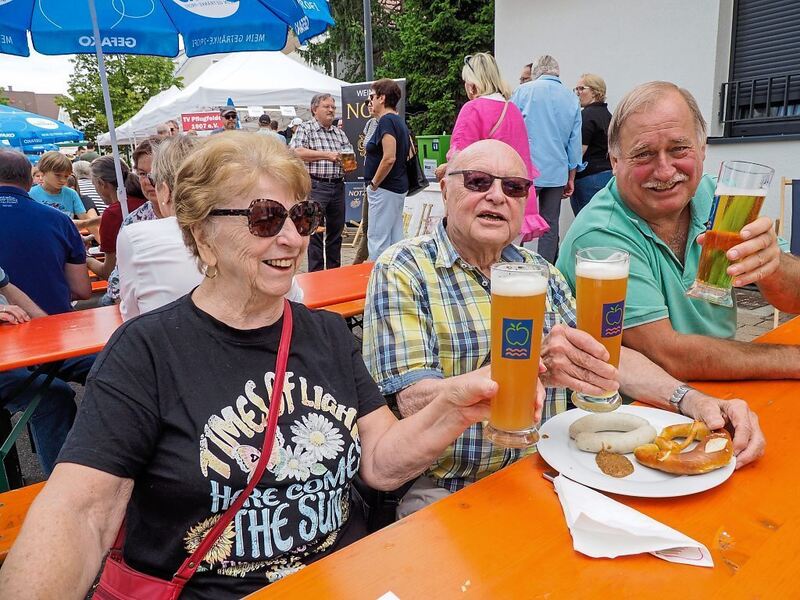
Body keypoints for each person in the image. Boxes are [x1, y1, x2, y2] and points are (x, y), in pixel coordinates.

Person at [0, 133, 513, 599]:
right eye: (265, 218)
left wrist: (454, 407)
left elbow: (379, 462)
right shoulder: (146, 351)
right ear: (203, 236)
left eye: (302, 217)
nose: (292, 238)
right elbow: (81, 513)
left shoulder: (328, 334)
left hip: (344, 581)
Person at [362, 140, 765, 517]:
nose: (497, 196)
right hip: (453, 486)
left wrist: (691, 400)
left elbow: (604, 358)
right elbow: (412, 401)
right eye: (478, 181)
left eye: (515, 187)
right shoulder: (406, 267)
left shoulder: (541, 272)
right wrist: (528, 369)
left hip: (554, 471)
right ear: (445, 189)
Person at [556, 81, 800, 381]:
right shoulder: (600, 234)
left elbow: (794, 298)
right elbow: (668, 355)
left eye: (679, 149)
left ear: (702, 149)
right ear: (615, 162)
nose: (665, 170)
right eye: (643, 154)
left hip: (721, 388)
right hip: (639, 403)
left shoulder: (719, 198)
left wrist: (772, 264)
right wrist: (792, 359)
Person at [117, 135, 303, 320]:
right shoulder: (233, 232)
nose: (295, 239)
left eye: (304, 215)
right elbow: (295, 298)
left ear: (164, 190)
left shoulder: (135, 236)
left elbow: (129, 311)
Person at [438, 52, 548, 242]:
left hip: (482, 201)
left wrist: (444, 170)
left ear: (472, 84)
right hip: (514, 197)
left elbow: (459, 159)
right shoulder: (513, 110)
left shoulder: (472, 109)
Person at [0, 268, 78, 475]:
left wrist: (49, 330)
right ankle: (63, 486)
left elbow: (7, 288)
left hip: (16, 349)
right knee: (53, 397)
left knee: (103, 364)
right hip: (8, 361)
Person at [0, 149, 91, 314]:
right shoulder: (60, 220)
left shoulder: (62, 214)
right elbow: (81, 289)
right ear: (30, 181)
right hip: (54, 319)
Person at [511, 55, 583, 263]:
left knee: (516, 219)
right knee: (550, 224)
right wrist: (571, 177)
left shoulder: (523, 91)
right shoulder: (572, 98)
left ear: (536, 73)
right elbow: (574, 144)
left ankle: (511, 264)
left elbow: (511, 128)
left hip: (525, 171)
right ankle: (546, 269)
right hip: (556, 173)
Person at [290, 93, 350, 271]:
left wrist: (349, 164)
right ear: (314, 109)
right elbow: (296, 152)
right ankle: (316, 275)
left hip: (338, 185)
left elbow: (349, 155)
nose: (331, 110)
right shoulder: (306, 128)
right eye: (327, 106)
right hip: (315, 186)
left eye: (333, 107)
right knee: (314, 232)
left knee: (336, 233)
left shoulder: (339, 133)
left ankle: (334, 272)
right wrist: (327, 155)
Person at [103, 137, 163, 304]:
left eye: (156, 172)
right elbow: (118, 285)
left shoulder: (195, 216)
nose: (148, 181)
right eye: (142, 174)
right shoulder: (134, 220)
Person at [364, 79, 410, 260]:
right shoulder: (397, 121)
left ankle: (379, 275)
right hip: (396, 187)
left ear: (381, 98)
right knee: (395, 239)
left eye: (372, 97)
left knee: (378, 240)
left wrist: (374, 184)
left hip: (385, 188)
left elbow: (389, 157)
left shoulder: (386, 121)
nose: (370, 101)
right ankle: (394, 274)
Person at [85, 156, 148, 287]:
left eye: (94, 185)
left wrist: (86, 257)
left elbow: (109, 272)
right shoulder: (147, 202)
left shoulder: (113, 214)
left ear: (102, 184)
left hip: (134, 286)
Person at [571, 73, 613, 216]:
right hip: (608, 175)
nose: (578, 93)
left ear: (595, 91)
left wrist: (569, 177)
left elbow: (578, 152)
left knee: (587, 220)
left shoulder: (586, 116)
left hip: (589, 179)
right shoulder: (608, 116)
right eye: (576, 89)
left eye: (581, 89)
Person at [28, 151, 89, 221]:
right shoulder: (30, 194)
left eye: (66, 176)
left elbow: (85, 221)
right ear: (42, 172)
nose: (63, 180)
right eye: (58, 175)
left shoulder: (72, 194)